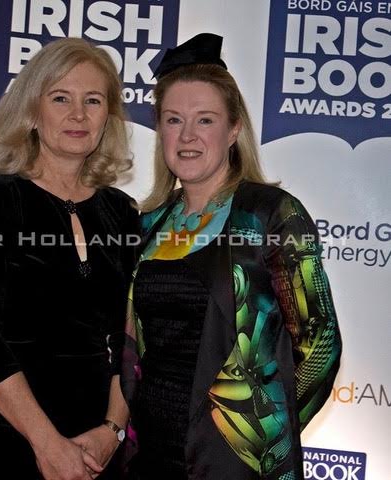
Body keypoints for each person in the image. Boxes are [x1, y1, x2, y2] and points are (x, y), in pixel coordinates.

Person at [121, 33, 342, 479]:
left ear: (234, 129)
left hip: (229, 465)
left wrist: (260, 433)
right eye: (172, 120)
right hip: (147, 457)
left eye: (205, 120)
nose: (186, 136)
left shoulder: (271, 215)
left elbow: (320, 344)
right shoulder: (146, 226)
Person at [0, 38, 139, 480]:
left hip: (98, 443)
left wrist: (112, 431)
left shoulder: (123, 212)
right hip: (8, 436)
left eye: (93, 101)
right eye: (61, 98)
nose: (78, 115)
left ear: (107, 117)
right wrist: (47, 444)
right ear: (33, 110)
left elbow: (133, 337)